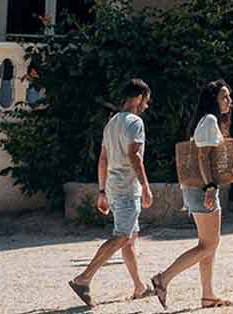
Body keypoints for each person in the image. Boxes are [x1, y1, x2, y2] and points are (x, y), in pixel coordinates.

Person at [69, 78, 155, 308]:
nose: (147, 104)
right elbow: (135, 156)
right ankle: (83, 278)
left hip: (114, 187)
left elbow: (103, 159)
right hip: (127, 188)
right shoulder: (135, 122)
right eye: (146, 100)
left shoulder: (111, 123)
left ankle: (139, 287)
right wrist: (146, 186)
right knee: (123, 236)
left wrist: (102, 191)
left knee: (129, 239)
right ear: (138, 98)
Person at [151, 79, 233, 308]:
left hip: (197, 188)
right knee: (209, 245)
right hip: (202, 188)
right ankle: (163, 278)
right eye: (224, 96)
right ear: (213, 100)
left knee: (206, 244)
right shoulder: (208, 120)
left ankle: (208, 295)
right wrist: (209, 187)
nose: (229, 101)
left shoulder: (207, 121)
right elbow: (202, 157)